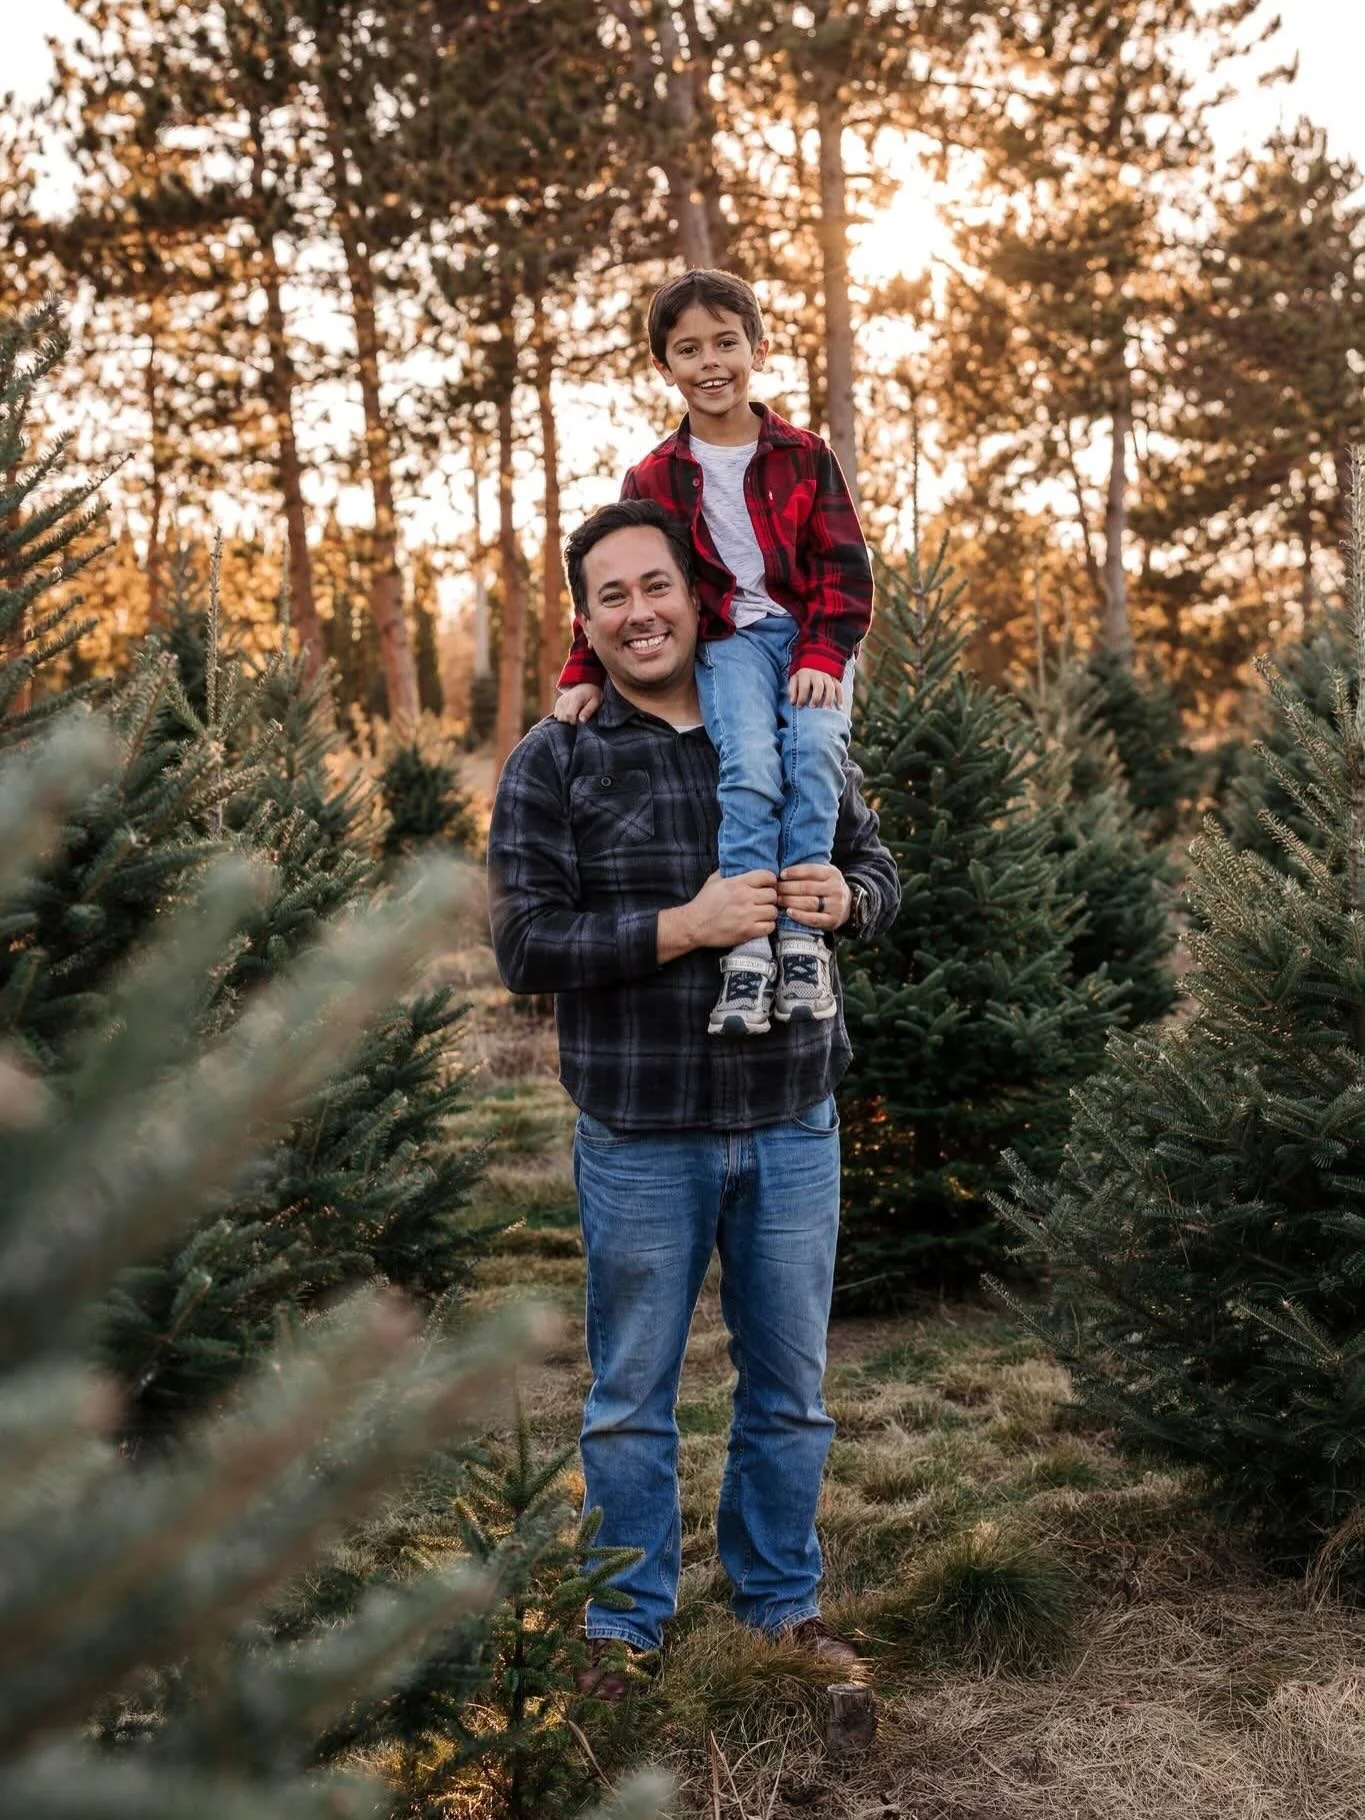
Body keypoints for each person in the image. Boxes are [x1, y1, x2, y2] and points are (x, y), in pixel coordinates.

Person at [487, 498, 899, 1698]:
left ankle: (781, 1600)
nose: (638, 612)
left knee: (794, 1388)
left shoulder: (779, 718)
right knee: (629, 1397)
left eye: (654, 584)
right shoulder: (556, 757)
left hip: (790, 1116)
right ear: (585, 619)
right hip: (642, 1132)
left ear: (697, 589)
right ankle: (624, 1619)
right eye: (609, 595)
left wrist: (847, 898)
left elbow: (875, 865)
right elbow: (525, 944)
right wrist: (684, 927)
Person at [553, 269, 872, 1040]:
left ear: (756, 349)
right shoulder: (654, 476)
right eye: (688, 349)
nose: (710, 362)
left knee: (817, 751)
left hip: (807, 639)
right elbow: (617, 577)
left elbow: (843, 568)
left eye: (725, 342)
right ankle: (748, 944)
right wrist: (584, 670)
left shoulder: (803, 455)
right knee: (749, 764)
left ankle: (801, 936)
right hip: (728, 640)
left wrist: (824, 656)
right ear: (665, 368)